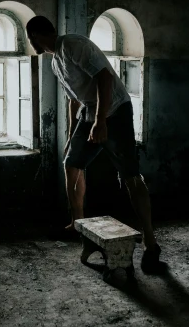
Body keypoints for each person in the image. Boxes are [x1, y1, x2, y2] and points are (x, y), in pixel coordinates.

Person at [26, 15, 161, 274]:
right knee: (71, 163)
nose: (30, 42)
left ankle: (150, 242)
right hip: (89, 112)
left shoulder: (75, 44)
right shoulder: (56, 62)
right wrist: (70, 137)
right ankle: (79, 222)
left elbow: (104, 78)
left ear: (36, 35)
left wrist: (101, 122)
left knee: (130, 176)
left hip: (115, 110)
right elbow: (73, 100)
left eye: (30, 37)